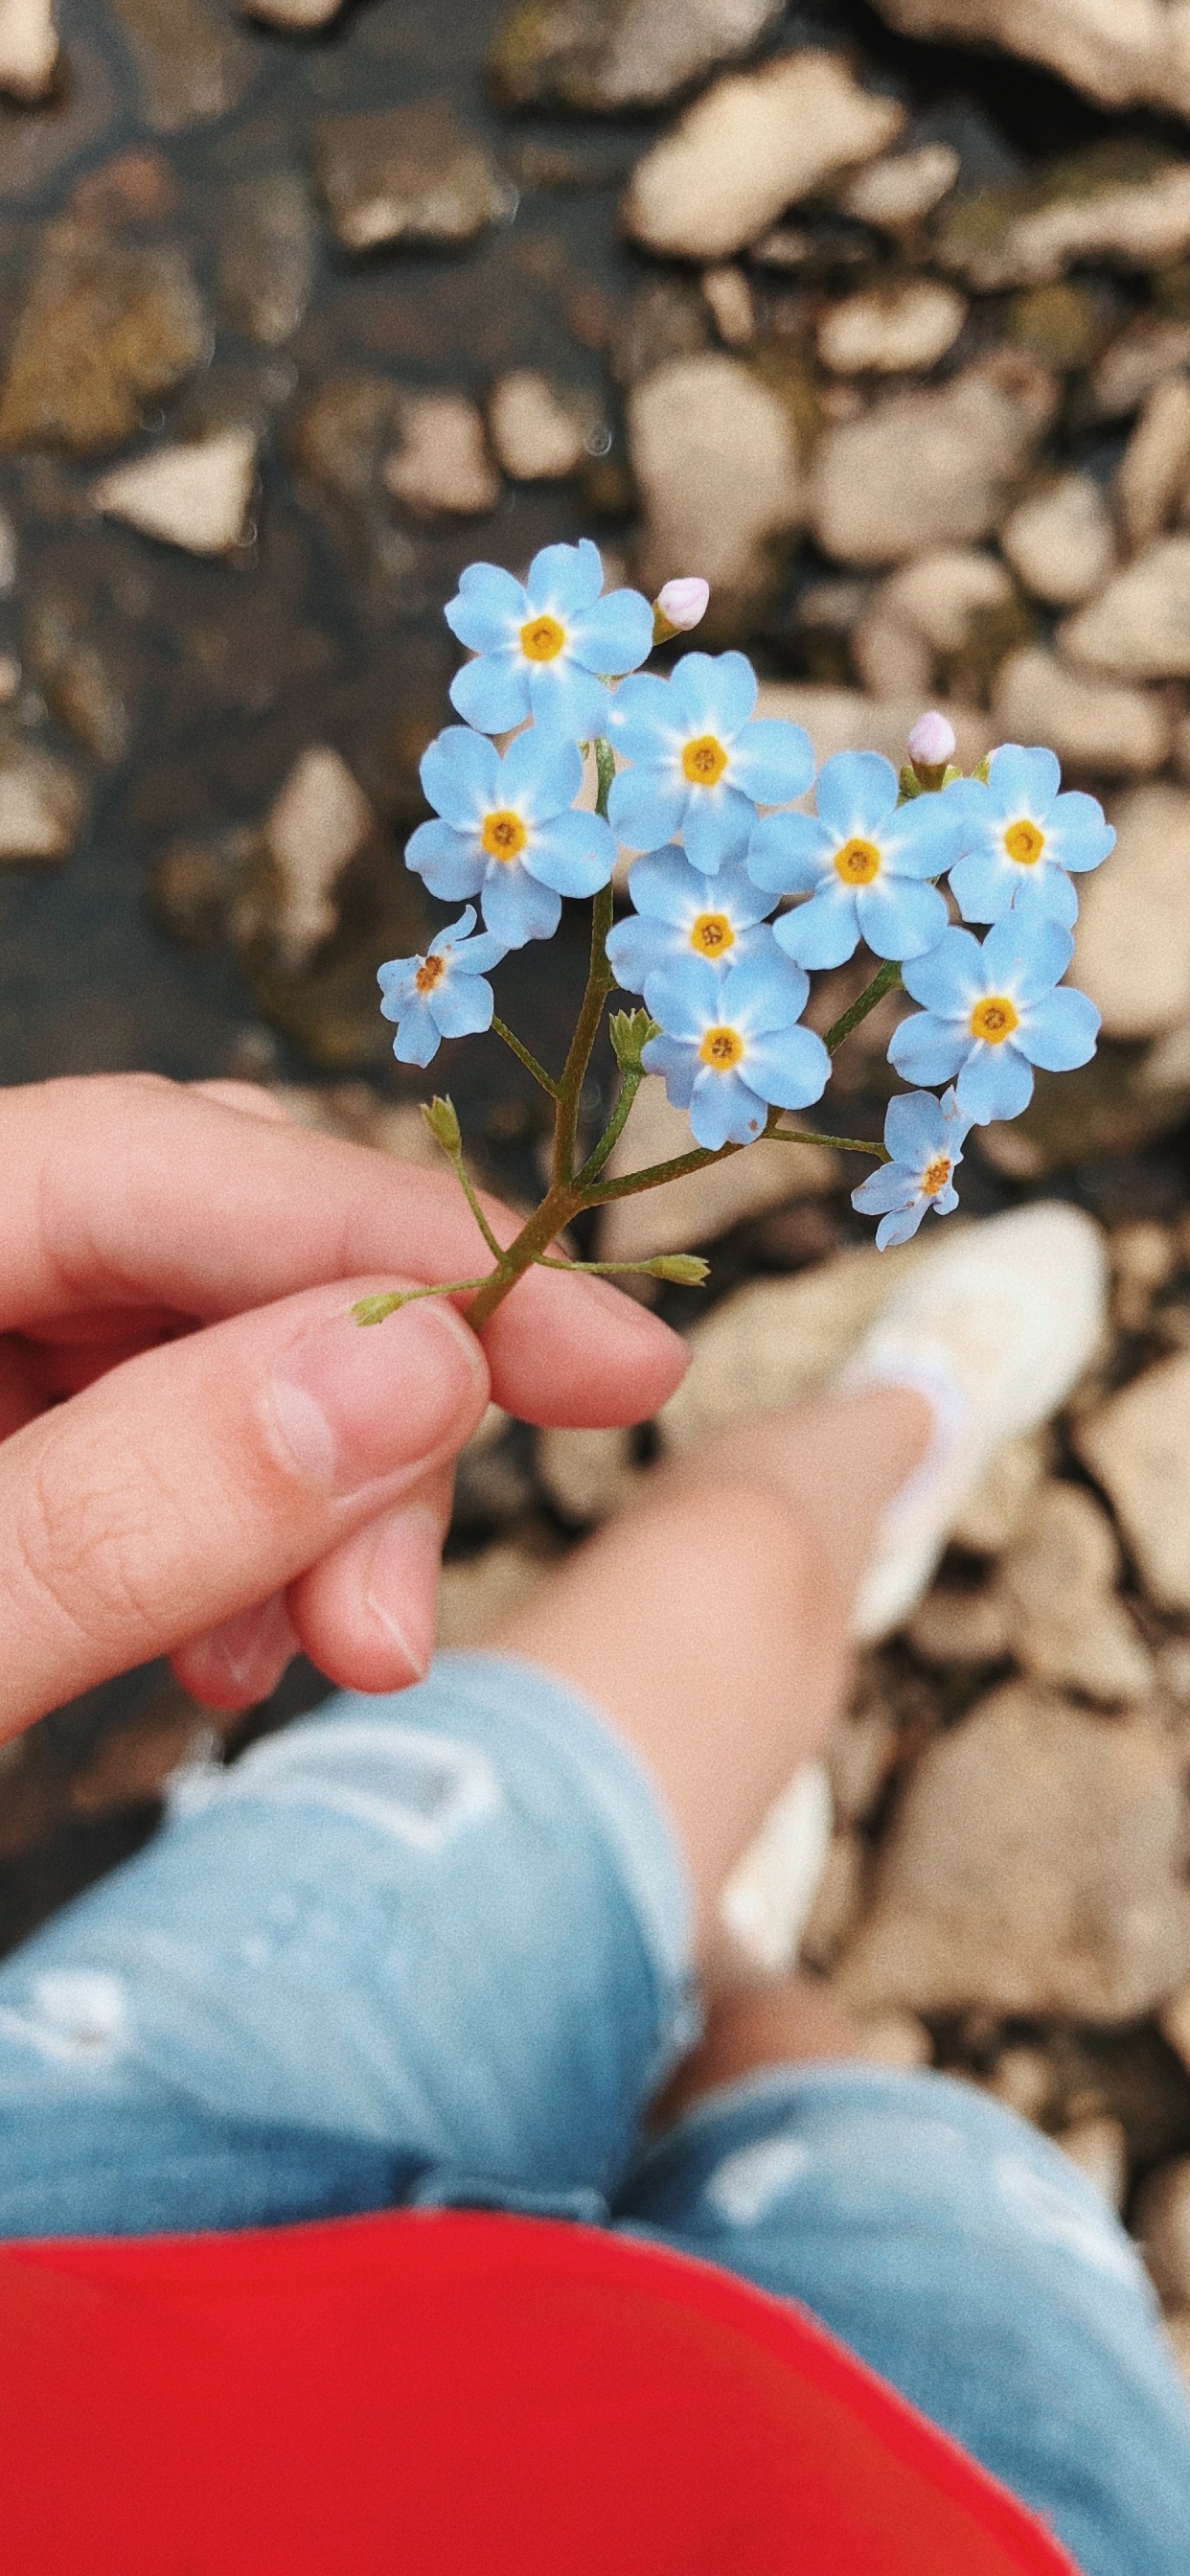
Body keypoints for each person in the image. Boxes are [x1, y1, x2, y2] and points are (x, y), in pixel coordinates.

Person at [0, 1071, 1187, 2576]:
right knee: (806, 2081)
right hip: (935, 2483)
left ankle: (894, 1428)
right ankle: (722, 1960)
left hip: (82, 2248)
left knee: (738, 1559)